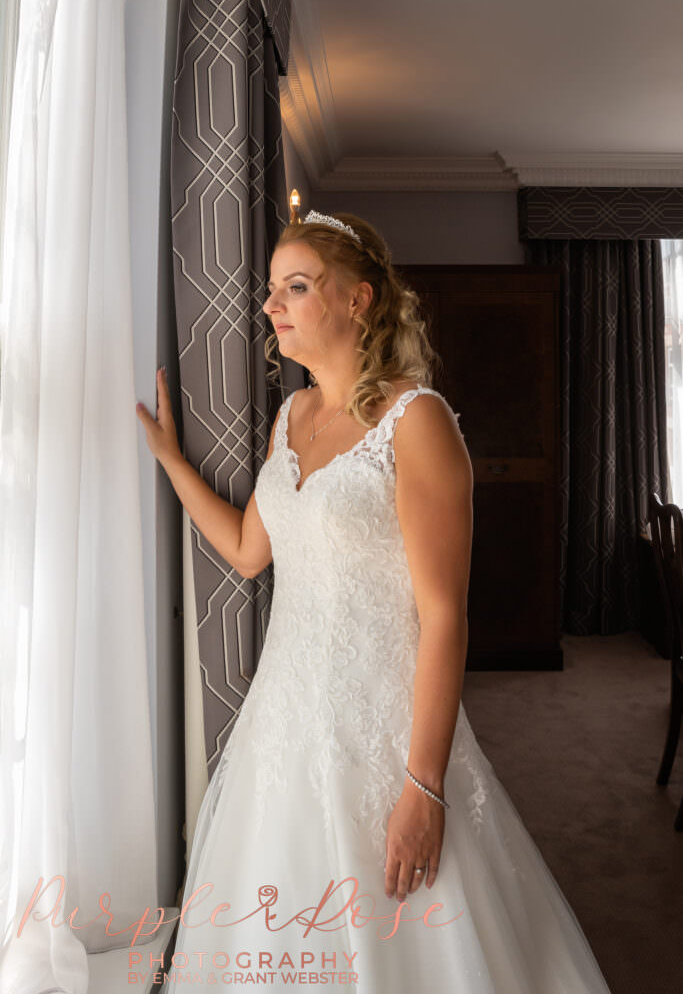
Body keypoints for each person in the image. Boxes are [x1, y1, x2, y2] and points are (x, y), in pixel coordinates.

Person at [135, 210, 612, 992]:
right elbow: (251, 552)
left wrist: (422, 787)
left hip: (385, 734)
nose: (270, 306)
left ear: (357, 300)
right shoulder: (291, 416)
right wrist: (170, 460)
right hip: (283, 726)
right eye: (270, 292)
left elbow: (444, 616)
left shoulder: (415, 421)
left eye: (295, 287)